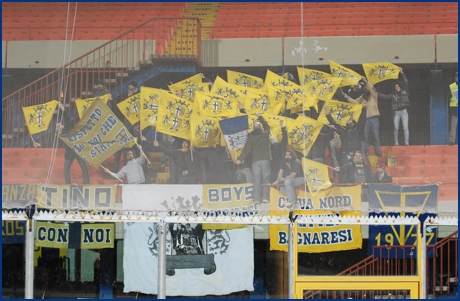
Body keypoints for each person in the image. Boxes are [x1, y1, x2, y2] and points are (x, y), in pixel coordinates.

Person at [236, 113, 272, 203]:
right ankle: (265, 198)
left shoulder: (251, 137)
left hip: (255, 161)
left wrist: (239, 159)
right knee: (266, 179)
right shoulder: (265, 134)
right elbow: (267, 125)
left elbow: (246, 150)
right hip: (265, 160)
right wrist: (260, 116)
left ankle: (256, 199)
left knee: (256, 180)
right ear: (261, 127)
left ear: (253, 128)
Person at [343, 76, 382, 157]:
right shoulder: (363, 97)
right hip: (366, 119)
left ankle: (377, 151)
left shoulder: (374, 96)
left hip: (374, 117)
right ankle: (366, 151)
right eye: (365, 87)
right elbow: (355, 101)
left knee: (376, 136)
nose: (366, 88)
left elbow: (373, 90)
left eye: (367, 87)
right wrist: (348, 98)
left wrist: (366, 81)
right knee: (365, 136)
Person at [55, 102, 90, 185]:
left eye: (59, 125)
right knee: (66, 170)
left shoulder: (68, 128)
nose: (58, 126)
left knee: (84, 168)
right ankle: (67, 184)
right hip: (69, 154)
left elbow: (67, 117)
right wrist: (40, 145)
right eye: (57, 126)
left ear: (62, 125)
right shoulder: (59, 136)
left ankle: (87, 183)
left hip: (77, 151)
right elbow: (53, 143)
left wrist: (62, 107)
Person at [378, 68, 410, 146]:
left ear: (400, 86)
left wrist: (402, 73)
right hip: (396, 112)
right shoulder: (393, 94)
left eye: (398, 86)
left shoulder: (404, 91)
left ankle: (406, 142)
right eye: (396, 86)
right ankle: (396, 142)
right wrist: (376, 93)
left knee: (405, 127)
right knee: (396, 128)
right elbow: (385, 96)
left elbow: (406, 82)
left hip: (404, 111)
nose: (397, 87)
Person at [448, 72, 458, 145]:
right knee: (453, 126)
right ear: (455, 78)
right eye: (457, 77)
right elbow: (449, 97)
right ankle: (452, 141)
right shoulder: (451, 86)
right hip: (455, 109)